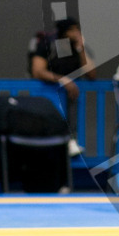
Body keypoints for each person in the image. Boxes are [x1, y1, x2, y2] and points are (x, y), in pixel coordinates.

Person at [28, 17, 95, 154]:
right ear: (63, 32)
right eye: (72, 30)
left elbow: (92, 74)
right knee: (48, 122)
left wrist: (81, 48)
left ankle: (70, 141)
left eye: (77, 29)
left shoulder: (78, 47)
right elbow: (37, 71)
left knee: (69, 119)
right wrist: (63, 80)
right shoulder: (48, 44)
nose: (75, 33)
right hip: (47, 93)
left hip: (70, 96)